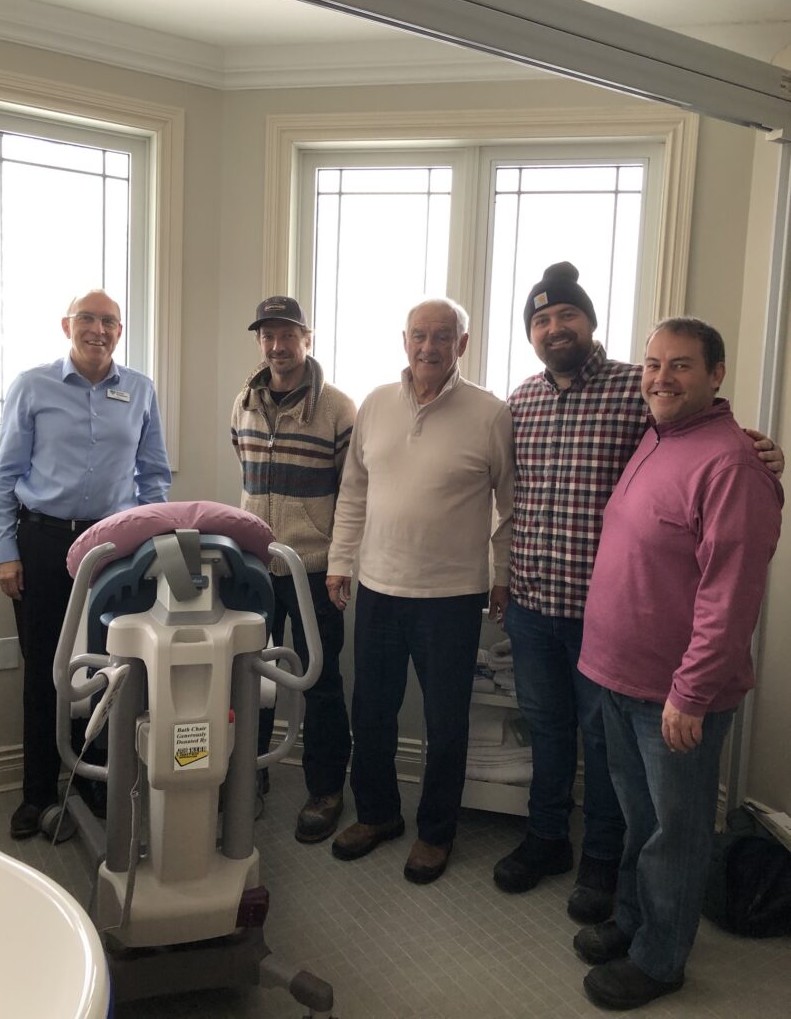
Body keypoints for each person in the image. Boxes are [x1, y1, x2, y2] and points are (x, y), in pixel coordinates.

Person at [492, 262, 783, 924]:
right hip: (533, 604)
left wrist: (764, 453)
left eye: (567, 315)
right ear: (530, 335)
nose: (554, 328)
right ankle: (545, 837)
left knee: (605, 750)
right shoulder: (521, 401)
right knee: (545, 731)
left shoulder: (638, 389)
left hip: (603, 617)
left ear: (590, 323)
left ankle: (601, 859)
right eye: (541, 320)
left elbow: (705, 443)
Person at [574, 317, 782, 1010]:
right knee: (642, 821)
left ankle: (660, 960)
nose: (661, 377)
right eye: (653, 363)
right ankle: (636, 924)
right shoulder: (657, 437)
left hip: (674, 696)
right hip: (619, 678)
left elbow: (731, 596)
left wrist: (690, 693)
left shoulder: (732, 465)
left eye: (681, 365)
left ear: (716, 374)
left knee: (679, 833)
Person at [326, 298, 514, 884]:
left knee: (445, 721)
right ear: (404, 340)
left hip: (452, 597)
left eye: (442, 336)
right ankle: (377, 814)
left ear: (463, 344)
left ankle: (436, 832)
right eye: (419, 335)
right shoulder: (375, 404)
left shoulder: (490, 414)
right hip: (378, 587)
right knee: (371, 711)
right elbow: (354, 491)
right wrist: (340, 561)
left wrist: (501, 574)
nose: (428, 347)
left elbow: (509, 506)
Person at [0, 289, 171, 840]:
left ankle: (93, 779)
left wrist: (151, 543)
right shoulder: (32, 385)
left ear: (120, 331)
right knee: (46, 666)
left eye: (109, 321)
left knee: (108, 666)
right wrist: (5, 552)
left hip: (113, 549)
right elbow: (4, 477)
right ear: (66, 326)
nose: (99, 329)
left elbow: (153, 476)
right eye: (87, 319)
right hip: (44, 543)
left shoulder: (140, 389)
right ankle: (38, 793)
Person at [230, 295, 355, 843]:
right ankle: (247, 777)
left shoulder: (339, 409)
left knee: (321, 682)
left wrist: (340, 563)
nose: (277, 346)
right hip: (255, 568)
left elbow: (352, 494)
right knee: (249, 677)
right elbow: (245, 467)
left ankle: (326, 789)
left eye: (288, 335)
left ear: (307, 339)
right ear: (260, 341)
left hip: (313, 571)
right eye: (268, 335)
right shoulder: (243, 403)